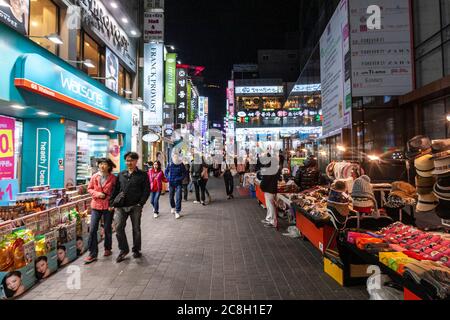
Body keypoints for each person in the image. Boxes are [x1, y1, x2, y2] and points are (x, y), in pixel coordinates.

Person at [110, 152, 150, 263]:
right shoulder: (121, 174)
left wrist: (140, 203)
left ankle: (136, 249)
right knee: (118, 228)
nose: (129, 162)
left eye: (131, 160)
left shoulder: (142, 175)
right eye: (127, 160)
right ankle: (123, 249)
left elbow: (146, 190)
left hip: (135, 206)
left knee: (136, 229)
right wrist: (112, 203)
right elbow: (116, 190)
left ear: (136, 161)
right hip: (121, 207)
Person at [84, 158, 117, 264]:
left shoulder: (113, 178)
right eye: (100, 164)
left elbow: (116, 192)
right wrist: (97, 194)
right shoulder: (94, 177)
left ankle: (108, 248)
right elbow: (89, 188)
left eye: (104, 164)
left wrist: (113, 203)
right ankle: (92, 254)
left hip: (108, 206)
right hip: (96, 206)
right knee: (93, 229)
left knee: (107, 228)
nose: (102, 166)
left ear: (109, 166)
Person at [258, 160, 281, 228]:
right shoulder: (275, 170)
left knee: (271, 206)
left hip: (269, 190)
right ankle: (268, 219)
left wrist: (262, 187)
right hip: (273, 189)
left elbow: (264, 181)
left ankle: (272, 222)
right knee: (269, 206)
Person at [165, 153, 187, 219]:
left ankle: (177, 211)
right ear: (172, 157)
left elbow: (184, 173)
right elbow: (166, 172)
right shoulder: (170, 164)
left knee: (178, 197)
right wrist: (168, 178)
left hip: (178, 184)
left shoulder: (181, 164)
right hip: (171, 183)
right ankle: (173, 207)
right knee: (171, 197)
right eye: (174, 157)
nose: (175, 158)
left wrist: (179, 179)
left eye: (176, 157)